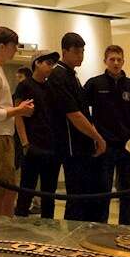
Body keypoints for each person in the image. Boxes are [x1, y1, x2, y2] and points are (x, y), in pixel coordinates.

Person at [84, 45, 130, 225]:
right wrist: (91, 132)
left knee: (128, 192)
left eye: (119, 60)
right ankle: (99, 228)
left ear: (123, 61)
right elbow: (80, 109)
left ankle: (126, 228)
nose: (116, 63)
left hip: (128, 147)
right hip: (104, 146)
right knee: (102, 190)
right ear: (105, 61)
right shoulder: (95, 84)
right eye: (112, 59)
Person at [44, 32, 107, 221]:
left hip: (80, 145)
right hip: (71, 146)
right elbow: (73, 114)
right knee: (77, 196)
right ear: (65, 51)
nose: (81, 56)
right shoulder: (59, 75)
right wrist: (98, 137)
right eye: (76, 52)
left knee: (84, 193)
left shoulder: (72, 75)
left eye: (83, 52)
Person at [0, 26, 35, 216]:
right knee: (0, 186)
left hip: (2, 134)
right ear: (2, 46)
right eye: (13, 46)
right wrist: (19, 110)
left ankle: (4, 223)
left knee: (8, 186)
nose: (15, 50)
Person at [14, 52, 61, 218]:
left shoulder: (52, 88)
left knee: (49, 194)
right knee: (26, 190)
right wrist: (25, 143)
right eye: (48, 63)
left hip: (52, 148)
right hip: (33, 147)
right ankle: (20, 230)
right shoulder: (25, 86)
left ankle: (49, 229)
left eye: (53, 64)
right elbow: (18, 115)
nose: (51, 67)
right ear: (37, 63)